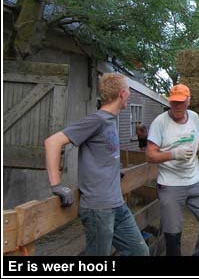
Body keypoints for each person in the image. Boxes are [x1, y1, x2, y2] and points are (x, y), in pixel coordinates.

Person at [44, 72, 149, 256]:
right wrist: (57, 185)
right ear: (123, 93)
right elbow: (52, 142)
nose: (130, 94)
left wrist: (114, 171)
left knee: (140, 252)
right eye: (129, 90)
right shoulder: (97, 120)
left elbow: (102, 156)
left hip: (117, 204)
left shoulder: (110, 121)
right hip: (98, 209)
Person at [145, 83, 199, 256]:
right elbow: (150, 155)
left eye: (181, 102)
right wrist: (173, 154)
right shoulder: (160, 122)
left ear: (188, 101)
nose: (177, 106)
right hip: (170, 184)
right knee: (172, 235)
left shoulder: (194, 117)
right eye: (174, 102)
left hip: (195, 180)